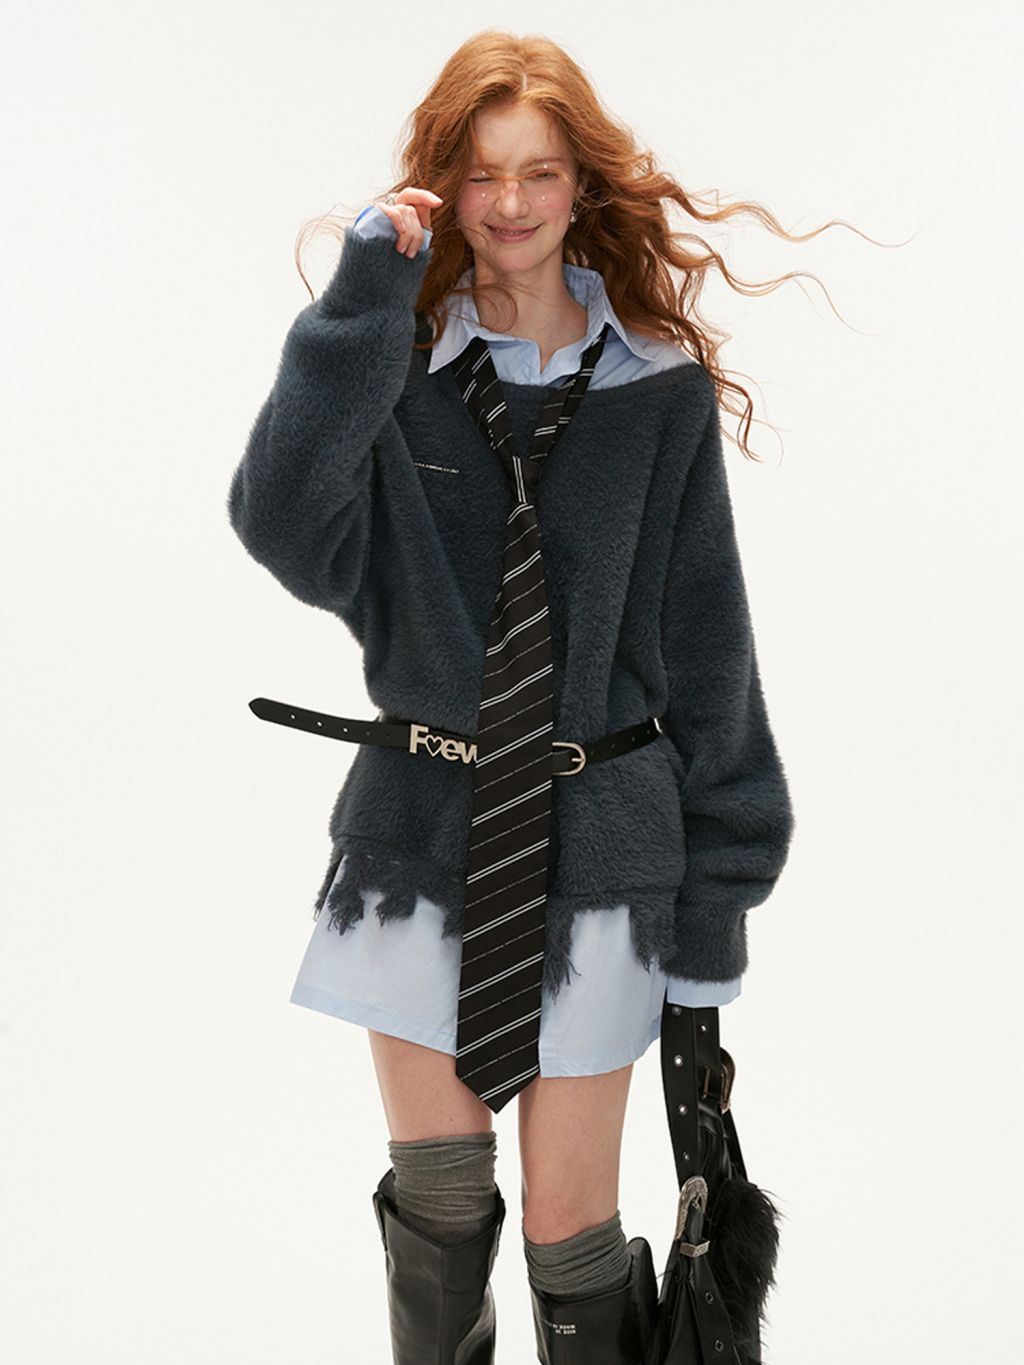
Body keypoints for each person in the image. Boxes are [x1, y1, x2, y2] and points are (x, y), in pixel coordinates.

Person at [227, 29, 796, 1365]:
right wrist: (364, 300)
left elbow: (708, 647)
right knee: (436, 1197)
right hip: (423, 834)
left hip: (605, 843)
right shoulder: (393, 371)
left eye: (540, 171)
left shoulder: (657, 392)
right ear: (446, 186)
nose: (513, 203)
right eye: (483, 175)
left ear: (579, 183)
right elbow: (280, 517)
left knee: (568, 1226)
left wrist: (716, 903)